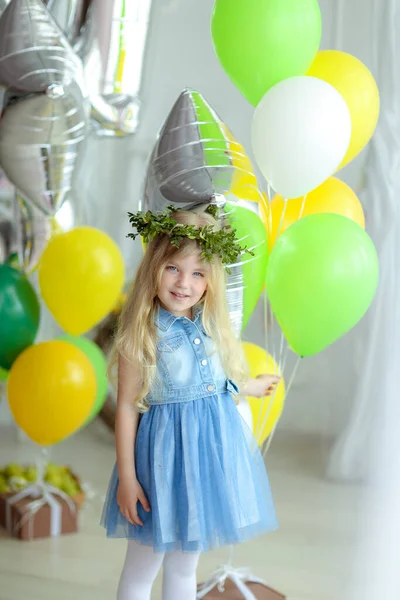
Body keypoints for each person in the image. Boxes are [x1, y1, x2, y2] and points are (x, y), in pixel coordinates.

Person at [101, 205, 280, 600]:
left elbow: (216, 381)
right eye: (173, 269)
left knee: (185, 567)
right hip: (160, 466)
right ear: (154, 268)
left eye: (198, 273)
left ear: (210, 279)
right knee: (142, 564)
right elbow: (128, 408)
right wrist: (129, 479)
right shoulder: (144, 332)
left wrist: (250, 387)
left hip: (204, 465)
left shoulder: (209, 323)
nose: (184, 283)